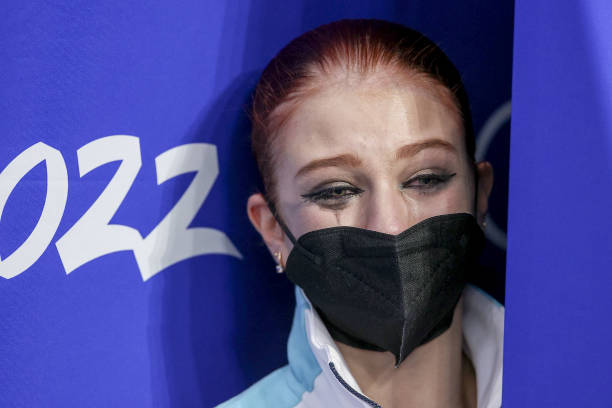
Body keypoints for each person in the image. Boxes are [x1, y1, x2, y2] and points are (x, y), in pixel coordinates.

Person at [219, 19, 503, 408]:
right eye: (336, 191)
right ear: (271, 229)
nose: (389, 224)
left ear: (480, 192)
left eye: (425, 179)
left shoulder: (584, 381)